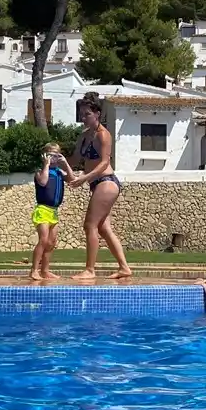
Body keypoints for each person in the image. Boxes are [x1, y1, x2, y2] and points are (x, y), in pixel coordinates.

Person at [68, 92, 133, 280]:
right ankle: (124, 267)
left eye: (87, 114)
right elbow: (74, 160)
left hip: (106, 182)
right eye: (81, 114)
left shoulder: (104, 135)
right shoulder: (83, 136)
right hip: (96, 184)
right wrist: (57, 165)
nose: (83, 117)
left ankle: (90, 270)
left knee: (90, 226)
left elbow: (104, 163)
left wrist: (85, 177)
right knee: (104, 229)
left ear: (97, 113)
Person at [30, 143, 72, 282]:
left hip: (54, 211)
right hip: (42, 210)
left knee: (51, 242)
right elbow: (43, 182)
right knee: (43, 240)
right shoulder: (39, 171)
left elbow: (72, 179)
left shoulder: (60, 172)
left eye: (56, 156)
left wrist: (65, 163)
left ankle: (45, 270)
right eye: (50, 155)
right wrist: (46, 165)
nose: (53, 158)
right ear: (44, 156)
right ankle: (34, 270)